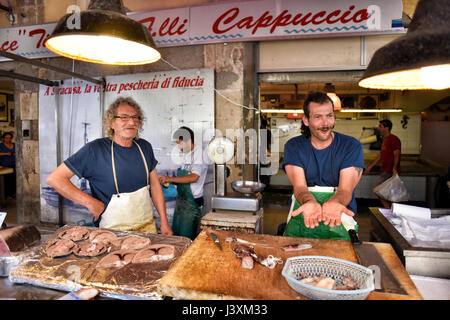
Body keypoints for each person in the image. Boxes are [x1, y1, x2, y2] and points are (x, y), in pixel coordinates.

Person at [46, 97, 173, 235]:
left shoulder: (144, 147)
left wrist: (164, 222)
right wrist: (90, 203)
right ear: (111, 123)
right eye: (124, 117)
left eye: (135, 117)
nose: (131, 122)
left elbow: (155, 186)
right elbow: (55, 179)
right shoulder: (95, 150)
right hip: (112, 232)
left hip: (147, 227)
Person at [282, 91, 365, 240]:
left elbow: (346, 189)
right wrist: (309, 201)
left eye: (329, 116)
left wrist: (335, 202)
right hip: (304, 218)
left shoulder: (351, 146)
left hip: (340, 219)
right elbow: (300, 188)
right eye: (318, 117)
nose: (325, 123)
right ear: (306, 120)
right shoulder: (294, 146)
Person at [159, 126, 208, 239]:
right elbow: (183, 177)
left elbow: (194, 177)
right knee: (177, 237)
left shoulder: (198, 154)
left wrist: (170, 179)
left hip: (192, 204)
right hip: (181, 202)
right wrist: (169, 182)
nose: (179, 147)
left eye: (180, 143)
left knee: (187, 239)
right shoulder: (187, 155)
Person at [365, 119, 401, 208]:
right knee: (386, 191)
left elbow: (397, 153)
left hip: (389, 170)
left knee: (378, 189)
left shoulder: (393, 139)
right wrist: (370, 166)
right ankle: (390, 209)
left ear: (386, 128)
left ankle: (389, 209)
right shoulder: (385, 140)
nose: (378, 128)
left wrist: (395, 168)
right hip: (385, 169)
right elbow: (381, 155)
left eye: (380, 126)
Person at [0, 132, 16, 198]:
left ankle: (13, 193)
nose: (8, 139)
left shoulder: (14, 144)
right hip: (5, 165)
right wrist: (6, 154)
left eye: (10, 138)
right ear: (4, 138)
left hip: (14, 164)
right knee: (6, 180)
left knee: (14, 179)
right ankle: (6, 194)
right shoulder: (1, 145)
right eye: (6, 138)